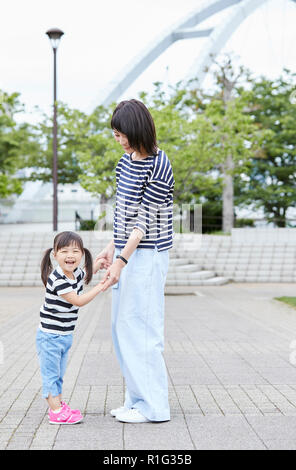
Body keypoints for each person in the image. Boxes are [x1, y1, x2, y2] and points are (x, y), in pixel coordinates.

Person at [96, 99, 175, 424]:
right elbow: (124, 214)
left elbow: (145, 220)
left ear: (137, 128)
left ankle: (154, 407)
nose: (119, 140)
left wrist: (121, 261)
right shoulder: (125, 162)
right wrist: (109, 248)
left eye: (122, 133)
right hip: (128, 253)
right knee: (122, 328)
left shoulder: (160, 163)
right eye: (115, 135)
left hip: (148, 256)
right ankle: (136, 399)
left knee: (142, 330)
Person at [37, 231, 106, 425]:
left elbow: (84, 273)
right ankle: (56, 412)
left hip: (64, 335)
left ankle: (58, 404)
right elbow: (78, 301)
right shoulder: (57, 279)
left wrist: (100, 262)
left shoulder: (74, 273)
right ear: (55, 254)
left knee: (59, 374)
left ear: (82, 254)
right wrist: (100, 287)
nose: (70, 255)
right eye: (65, 251)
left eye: (76, 251)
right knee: (51, 375)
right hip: (50, 336)